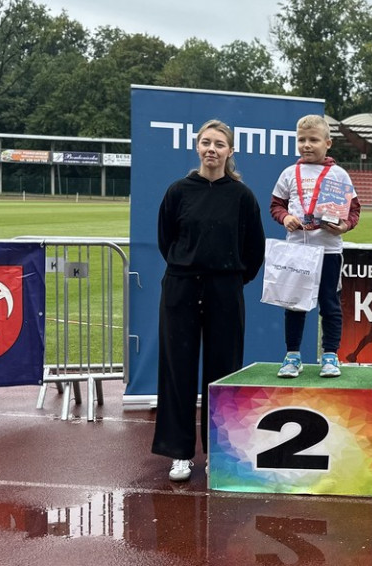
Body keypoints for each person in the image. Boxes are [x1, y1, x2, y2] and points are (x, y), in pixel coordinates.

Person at [152, 119, 265, 482]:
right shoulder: (178, 191)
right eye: (206, 142)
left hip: (225, 290)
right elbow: (166, 239)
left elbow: (254, 248)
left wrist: (230, 279)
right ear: (197, 147)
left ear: (230, 151)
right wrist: (188, 267)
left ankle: (220, 452)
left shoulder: (242, 196)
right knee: (178, 371)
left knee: (224, 370)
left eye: (219, 144)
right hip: (181, 288)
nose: (211, 149)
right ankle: (180, 453)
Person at [271, 115, 362, 378]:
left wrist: (344, 226)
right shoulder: (289, 173)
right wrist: (285, 218)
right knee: (294, 305)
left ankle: (330, 355)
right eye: (302, 140)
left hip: (328, 251)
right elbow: (276, 205)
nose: (307, 145)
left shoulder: (339, 174)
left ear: (328, 143)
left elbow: (354, 211)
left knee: (330, 304)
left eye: (313, 139)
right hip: (297, 250)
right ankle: (292, 356)